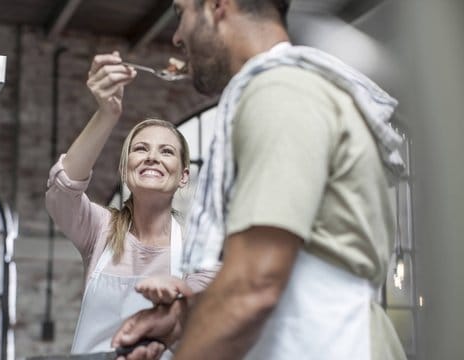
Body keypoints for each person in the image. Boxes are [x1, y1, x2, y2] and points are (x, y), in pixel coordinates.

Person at [111, 0, 408, 359]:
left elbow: (254, 286)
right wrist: (184, 322)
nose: (176, 37)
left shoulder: (280, 93)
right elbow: (286, 271)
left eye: (180, 14)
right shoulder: (282, 90)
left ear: (219, 6)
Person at [44, 52, 215, 356]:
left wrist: (178, 300)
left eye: (166, 152)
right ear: (125, 170)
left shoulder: (197, 249)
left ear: (183, 176)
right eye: (140, 149)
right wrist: (106, 113)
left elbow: (204, 327)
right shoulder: (99, 229)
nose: (152, 157)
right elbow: (63, 190)